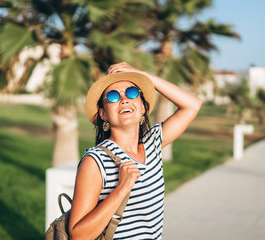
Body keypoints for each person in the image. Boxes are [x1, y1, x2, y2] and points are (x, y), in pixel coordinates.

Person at [68, 62, 202, 239]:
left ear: (143, 107)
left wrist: (141, 74)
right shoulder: (95, 160)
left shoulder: (152, 143)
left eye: (131, 92)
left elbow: (192, 105)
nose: (124, 99)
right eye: (113, 96)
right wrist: (121, 188)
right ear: (103, 114)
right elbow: (78, 235)